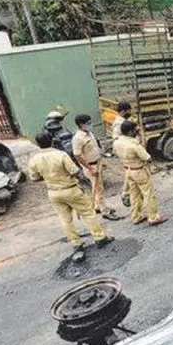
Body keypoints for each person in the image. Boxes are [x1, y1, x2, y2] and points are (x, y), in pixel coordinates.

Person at [29, 133, 113, 262]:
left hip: (53, 192)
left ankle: (76, 243)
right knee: (88, 213)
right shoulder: (60, 155)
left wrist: (48, 178)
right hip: (70, 189)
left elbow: (34, 178)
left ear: (38, 143)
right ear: (52, 141)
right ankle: (99, 237)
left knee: (65, 219)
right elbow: (74, 171)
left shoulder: (34, 159)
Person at [113, 121, 169, 226]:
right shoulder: (134, 145)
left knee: (134, 195)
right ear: (130, 132)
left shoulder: (117, 142)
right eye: (136, 130)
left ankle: (136, 216)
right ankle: (154, 217)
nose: (137, 131)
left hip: (128, 170)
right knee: (148, 195)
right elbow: (147, 158)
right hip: (139, 171)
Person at [72, 114, 119, 221]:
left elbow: (95, 149)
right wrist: (89, 168)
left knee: (99, 187)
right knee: (98, 189)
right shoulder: (78, 138)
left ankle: (98, 206)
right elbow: (78, 155)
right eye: (88, 123)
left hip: (97, 163)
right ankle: (104, 211)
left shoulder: (89, 134)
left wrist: (102, 161)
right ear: (81, 124)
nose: (90, 125)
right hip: (91, 166)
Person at [112, 101, 134, 207]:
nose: (131, 112)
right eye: (129, 110)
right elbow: (116, 139)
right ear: (123, 111)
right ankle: (125, 194)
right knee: (130, 173)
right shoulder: (119, 124)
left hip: (128, 149)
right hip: (125, 152)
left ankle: (129, 193)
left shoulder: (124, 120)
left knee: (131, 173)